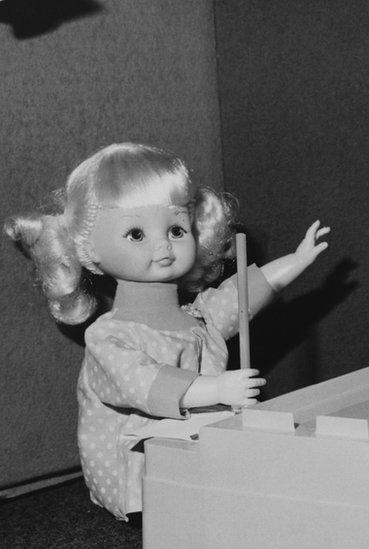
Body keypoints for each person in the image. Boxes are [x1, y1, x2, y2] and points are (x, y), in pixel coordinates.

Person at [4, 143, 330, 521]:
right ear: (90, 251)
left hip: (197, 441)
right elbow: (143, 384)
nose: (163, 246)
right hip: (137, 465)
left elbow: (240, 296)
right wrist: (218, 389)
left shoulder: (198, 316)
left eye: (176, 229)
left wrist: (297, 260)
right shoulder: (108, 338)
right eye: (136, 234)